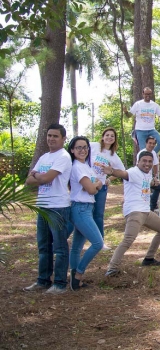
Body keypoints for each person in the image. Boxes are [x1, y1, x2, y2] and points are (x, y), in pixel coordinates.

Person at [24, 124, 72, 295]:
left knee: (59, 247)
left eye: (55, 136)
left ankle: (59, 284)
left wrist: (37, 176)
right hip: (43, 207)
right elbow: (29, 180)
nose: (51, 138)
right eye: (49, 135)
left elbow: (45, 178)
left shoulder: (63, 156)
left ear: (63, 138)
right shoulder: (44, 157)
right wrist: (39, 177)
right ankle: (43, 280)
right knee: (43, 246)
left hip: (58, 207)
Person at [102, 151, 160, 276]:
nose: (147, 164)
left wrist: (153, 184)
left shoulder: (147, 174)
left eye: (150, 161)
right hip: (135, 212)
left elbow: (144, 185)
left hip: (146, 212)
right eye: (144, 161)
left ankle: (149, 258)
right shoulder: (133, 172)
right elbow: (123, 174)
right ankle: (112, 268)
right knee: (128, 239)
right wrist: (111, 171)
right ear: (138, 161)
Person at [67, 136, 104, 290]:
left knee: (76, 247)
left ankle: (75, 282)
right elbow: (91, 189)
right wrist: (94, 185)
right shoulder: (77, 167)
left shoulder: (86, 167)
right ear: (72, 150)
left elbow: (99, 184)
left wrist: (94, 184)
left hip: (86, 208)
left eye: (85, 147)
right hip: (80, 208)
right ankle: (79, 274)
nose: (83, 150)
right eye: (79, 147)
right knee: (98, 243)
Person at [89, 127, 125, 248]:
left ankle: (100, 242)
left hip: (101, 188)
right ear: (103, 137)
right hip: (87, 184)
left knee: (98, 215)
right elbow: (79, 149)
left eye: (112, 136)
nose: (109, 137)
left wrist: (110, 176)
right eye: (107, 135)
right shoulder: (94, 146)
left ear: (115, 140)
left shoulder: (113, 156)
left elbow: (122, 171)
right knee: (83, 213)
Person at [123, 87, 160, 153]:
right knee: (143, 150)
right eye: (146, 94)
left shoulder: (155, 105)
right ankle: (145, 156)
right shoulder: (138, 104)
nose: (148, 96)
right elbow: (129, 115)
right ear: (143, 94)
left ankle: (152, 155)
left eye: (149, 94)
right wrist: (126, 112)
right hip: (140, 130)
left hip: (151, 129)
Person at [137, 136, 160, 212]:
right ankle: (149, 207)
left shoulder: (154, 153)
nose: (151, 145)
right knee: (145, 192)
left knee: (158, 186)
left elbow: (155, 165)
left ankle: (152, 205)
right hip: (141, 177)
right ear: (146, 143)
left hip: (150, 177)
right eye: (150, 143)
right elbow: (138, 167)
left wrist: (155, 177)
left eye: (153, 143)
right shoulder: (141, 153)